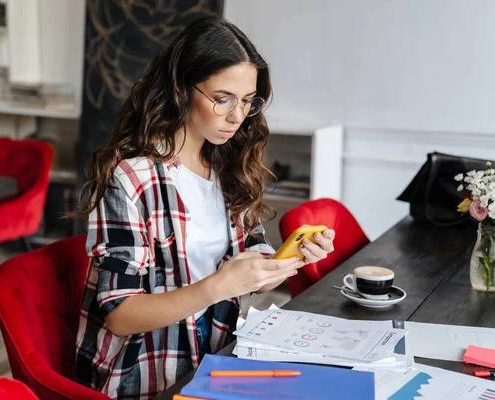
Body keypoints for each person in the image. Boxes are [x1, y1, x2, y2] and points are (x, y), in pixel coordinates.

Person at [74, 16, 335, 399]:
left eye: (248, 101)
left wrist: (284, 263)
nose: (236, 116)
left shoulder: (230, 166)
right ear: (181, 89)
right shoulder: (132, 177)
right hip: (147, 375)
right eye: (222, 98)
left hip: (216, 358)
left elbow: (250, 259)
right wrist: (219, 286)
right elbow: (120, 316)